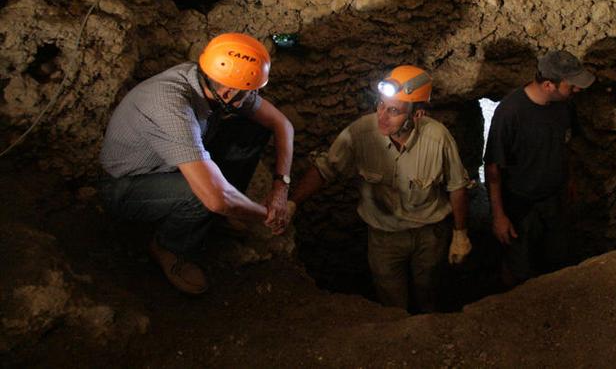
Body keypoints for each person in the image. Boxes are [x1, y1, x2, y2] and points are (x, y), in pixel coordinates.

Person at [99, 33, 295, 295]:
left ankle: (223, 213)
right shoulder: (172, 106)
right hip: (126, 185)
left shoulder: (211, 80)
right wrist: (267, 216)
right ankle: (169, 248)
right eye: (251, 92)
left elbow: (282, 124)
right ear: (228, 91)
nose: (255, 96)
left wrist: (281, 188)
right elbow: (214, 199)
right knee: (200, 195)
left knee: (252, 128)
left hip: (171, 162)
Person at [287, 65, 471, 312]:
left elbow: (457, 187)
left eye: (393, 111)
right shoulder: (361, 132)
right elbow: (325, 168)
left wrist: (460, 234)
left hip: (429, 236)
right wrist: (293, 202)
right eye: (380, 105)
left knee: (428, 293)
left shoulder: (438, 138)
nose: (382, 116)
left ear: (417, 114)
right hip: (384, 238)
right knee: (391, 304)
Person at [483, 50, 595, 287]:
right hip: (520, 205)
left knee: (556, 259)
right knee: (518, 266)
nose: (577, 90)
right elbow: (493, 168)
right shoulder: (510, 112)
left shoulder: (564, 106)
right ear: (548, 85)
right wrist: (499, 215)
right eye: (571, 85)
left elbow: (566, 145)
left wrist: (570, 180)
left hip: (553, 200)